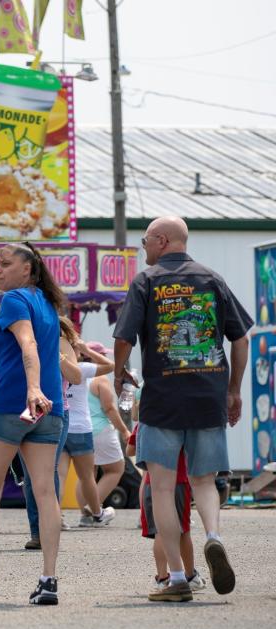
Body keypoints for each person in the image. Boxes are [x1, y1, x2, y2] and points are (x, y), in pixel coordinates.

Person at [113, 216, 252, 601]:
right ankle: (213, 535)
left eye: (145, 241)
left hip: (163, 399)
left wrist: (119, 371)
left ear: (161, 240)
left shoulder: (147, 280)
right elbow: (241, 338)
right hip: (208, 394)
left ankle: (176, 577)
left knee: (161, 487)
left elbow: (124, 337)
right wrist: (234, 389)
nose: (143, 248)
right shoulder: (212, 279)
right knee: (204, 481)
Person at [0, 243, 66, 605]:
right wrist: (42, 390)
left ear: (28, 268)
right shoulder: (49, 304)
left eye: (6, 264)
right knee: (45, 491)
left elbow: (28, 344)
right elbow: (54, 355)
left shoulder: (15, 300)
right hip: (50, 408)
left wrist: (32, 387)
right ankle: (49, 579)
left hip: (11, 404)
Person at [20, 317, 80, 550]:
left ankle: (48, 530)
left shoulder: (60, 342)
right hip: (27, 411)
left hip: (56, 412)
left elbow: (76, 377)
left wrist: (56, 355)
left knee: (46, 471)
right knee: (29, 475)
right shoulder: (25, 341)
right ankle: (37, 531)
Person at [127, 427, 207, 599]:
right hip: (178, 481)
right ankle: (190, 575)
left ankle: (162, 577)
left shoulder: (144, 423)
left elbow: (130, 450)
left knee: (159, 532)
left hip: (151, 483)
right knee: (183, 531)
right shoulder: (179, 420)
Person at [56, 336, 117, 529]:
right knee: (87, 476)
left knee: (59, 475)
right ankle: (97, 513)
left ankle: (56, 516)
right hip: (81, 429)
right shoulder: (81, 369)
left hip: (60, 425)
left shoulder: (54, 367)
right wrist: (88, 351)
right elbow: (110, 366)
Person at [80, 343, 132, 524]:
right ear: (97, 357)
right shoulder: (100, 379)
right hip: (101, 430)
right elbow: (109, 408)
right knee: (115, 469)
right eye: (103, 355)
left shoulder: (76, 375)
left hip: (82, 430)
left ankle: (85, 514)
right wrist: (124, 430)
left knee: (86, 473)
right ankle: (92, 508)